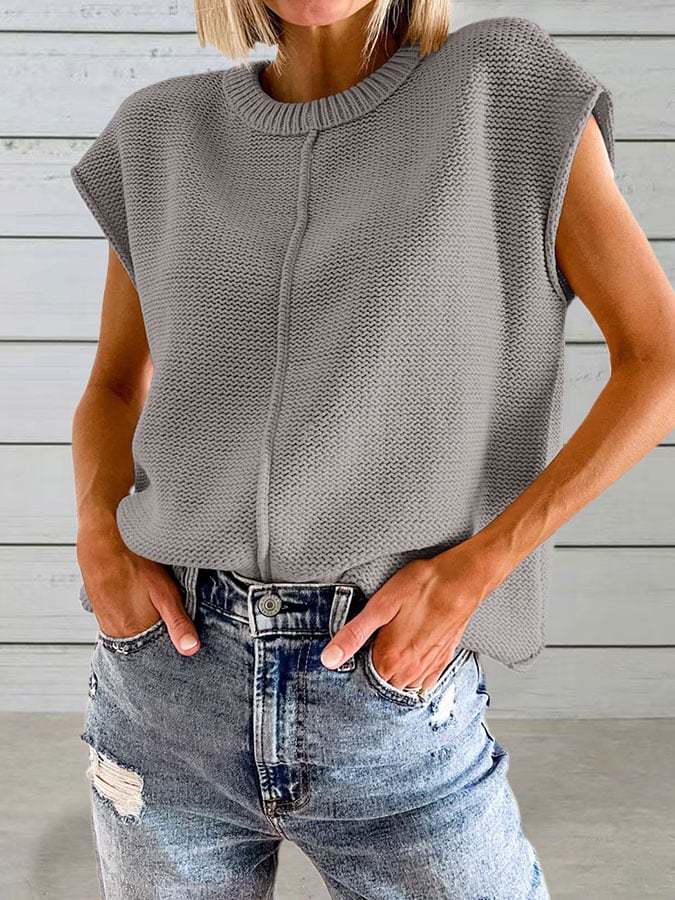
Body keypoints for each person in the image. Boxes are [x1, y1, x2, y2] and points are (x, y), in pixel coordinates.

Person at [69, 1, 675, 897]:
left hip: (386, 692)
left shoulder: (500, 89)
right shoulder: (161, 133)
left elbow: (657, 360)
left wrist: (476, 569)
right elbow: (116, 386)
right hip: (164, 690)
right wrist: (98, 533)